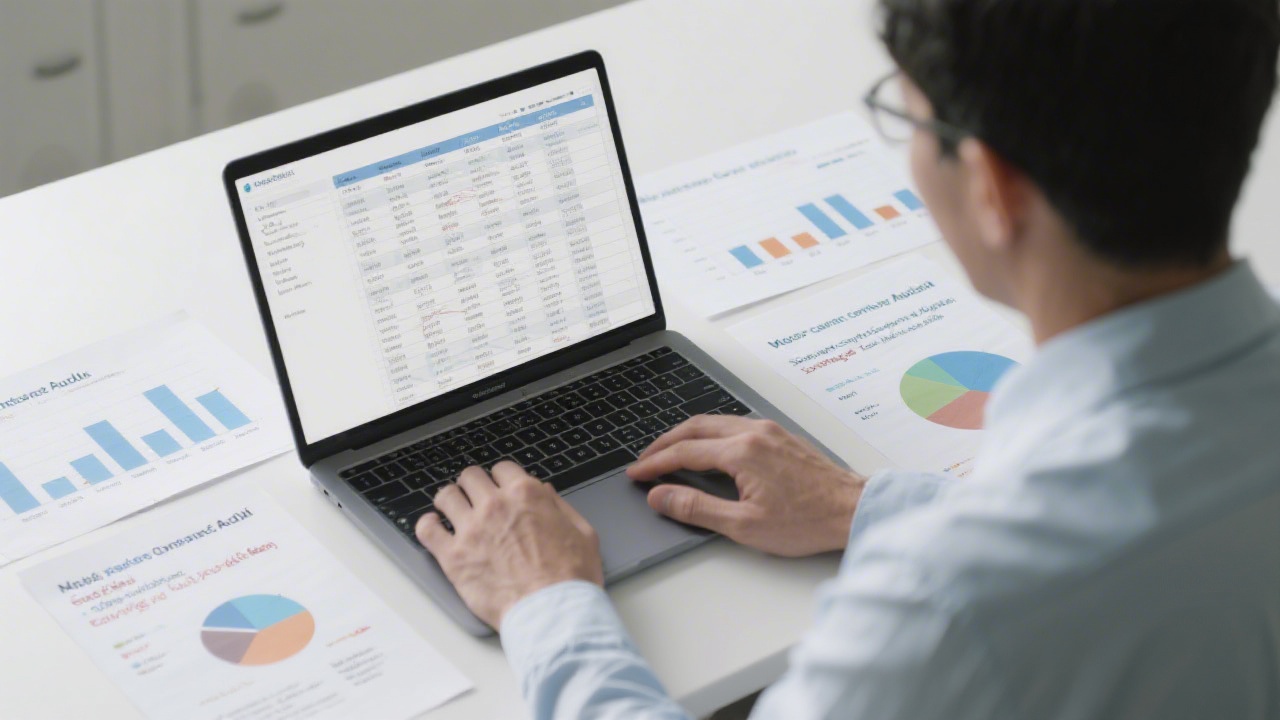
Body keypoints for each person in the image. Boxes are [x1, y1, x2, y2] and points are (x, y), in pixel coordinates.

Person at [415, 0, 1280, 717]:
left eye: (907, 120)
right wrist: (865, 505)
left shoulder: (945, 609)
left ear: (993, 187)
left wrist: (546, 603)